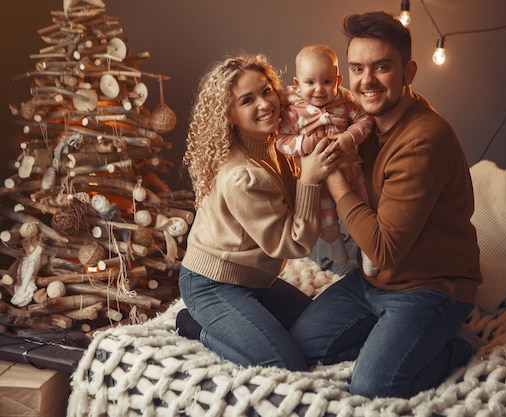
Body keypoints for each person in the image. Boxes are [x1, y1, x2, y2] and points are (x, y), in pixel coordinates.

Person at [290, 12, 483, 398]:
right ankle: (391, 337)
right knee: (302, 348)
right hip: (373, 281)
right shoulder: (365, 121)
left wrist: (329, 172)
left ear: (408, 72)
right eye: (357, 68)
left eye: (382, 67)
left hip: (428, 286)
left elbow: (382, 249)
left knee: (374, 384)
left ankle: (458, 342)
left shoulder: (420, 142)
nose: (367, 81)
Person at [176, 54, 341, 371]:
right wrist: (309, 178)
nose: (264, 104)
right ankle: (196, 326)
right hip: (211, 283)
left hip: (255, 280)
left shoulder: (276, 145)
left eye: (267, 91)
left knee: (317, 338)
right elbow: (292, 245)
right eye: (247, 100)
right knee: (285, 362)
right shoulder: (243, 176)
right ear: (230, 114)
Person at [277, 44, 378, 276]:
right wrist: (307, 143)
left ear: (338, 80)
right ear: (297, 83)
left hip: (352, 170)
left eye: (326, 82)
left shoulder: (345, 104)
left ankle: (368, 251)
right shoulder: (293, 112)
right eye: (310, 82)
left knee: (364, 207)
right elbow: (282, 140)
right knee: (327, 220)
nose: (319, 90)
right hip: (320, 179)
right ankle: (336, 247)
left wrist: (348, 137)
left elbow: (364, 121)